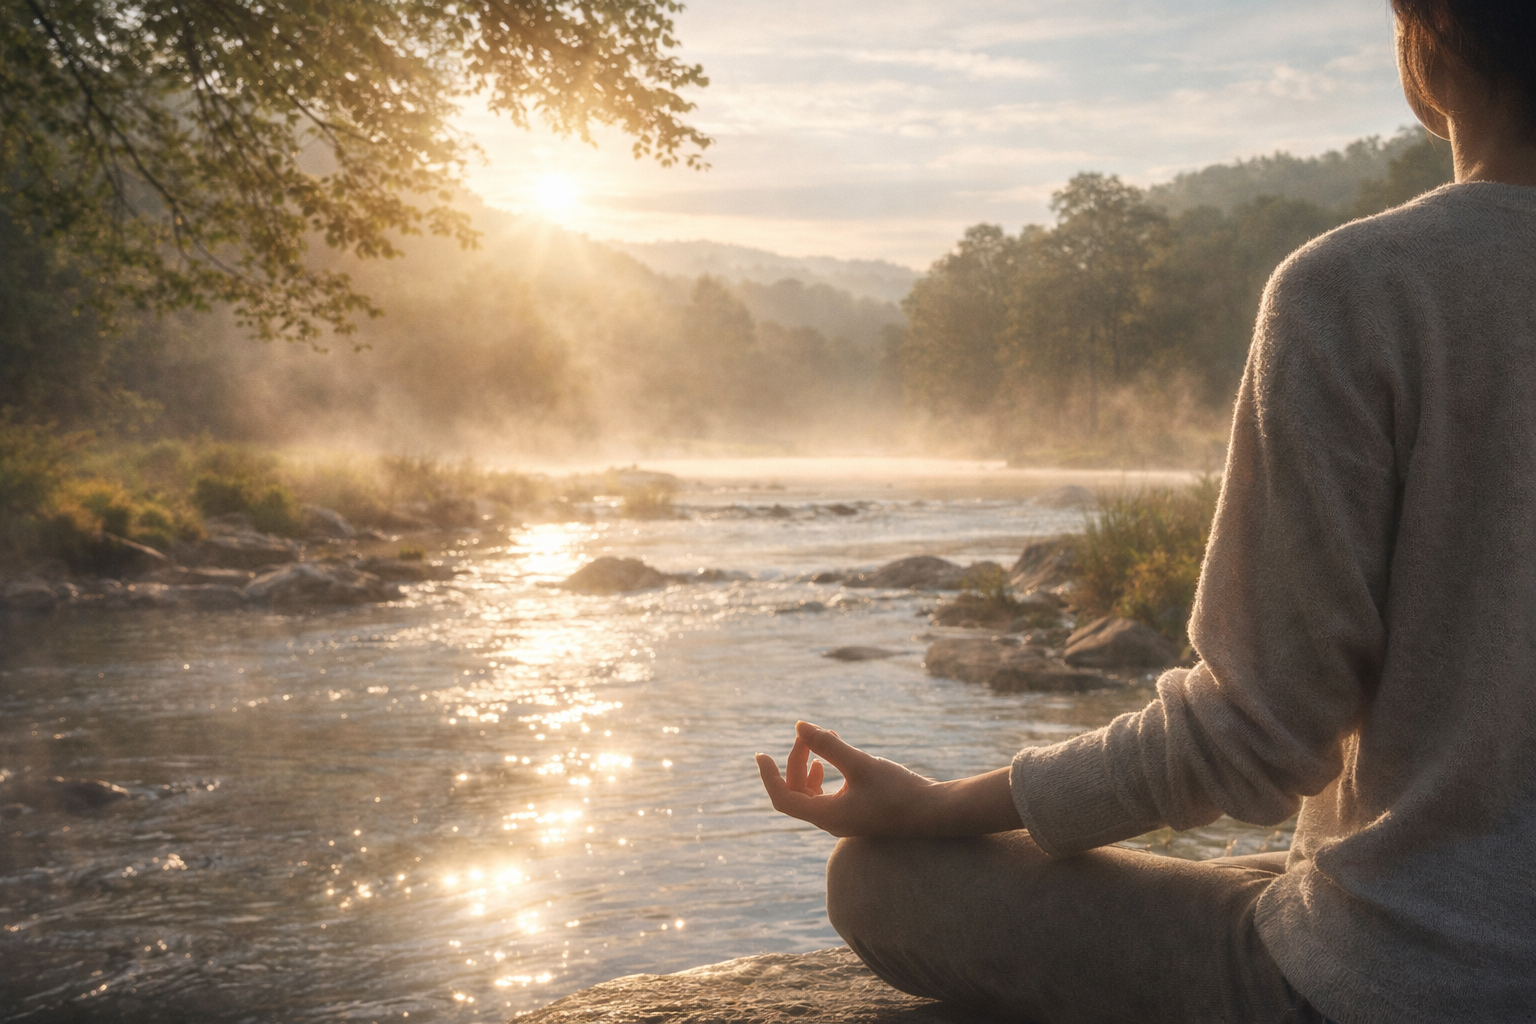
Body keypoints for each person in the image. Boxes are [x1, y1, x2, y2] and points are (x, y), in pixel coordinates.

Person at [756, 3, 1536, 1021]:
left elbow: (1257, 736)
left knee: (879, 879)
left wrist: (939, 804)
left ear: (1426, 35)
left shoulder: (1358, 291)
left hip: (1414, 980)